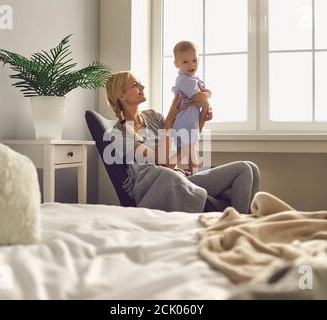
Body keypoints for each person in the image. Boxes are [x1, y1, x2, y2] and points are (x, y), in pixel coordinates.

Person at [105, 71, 260, 213]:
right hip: (162, 186)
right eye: (135, 85)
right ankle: (239, 225)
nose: (142, 86)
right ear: (122, 96)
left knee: (252, 168)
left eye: (139, 82)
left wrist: (202, 119)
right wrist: (168, 123)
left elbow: (182, 146)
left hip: (178, 176)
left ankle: (243, 224)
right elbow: (161, 162)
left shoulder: (153, 117)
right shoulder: (118, 135)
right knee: (243, 169)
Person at [172, 41, 211, 174]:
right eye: (185, 62)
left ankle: (190, 173)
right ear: (176, 64)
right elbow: (198, 98)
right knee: (190, 152)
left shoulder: (194, 79)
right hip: (185, 122)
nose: (191, 65)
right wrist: (208, 93)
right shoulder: (184, 80)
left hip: (190, 122)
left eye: (194, 60)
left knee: (188, 151)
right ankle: (195, 175)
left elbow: (200, 99)